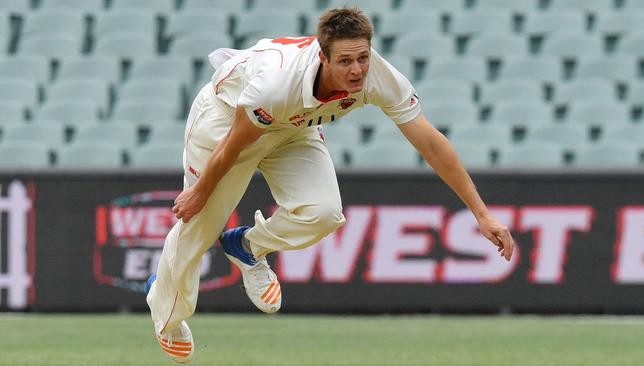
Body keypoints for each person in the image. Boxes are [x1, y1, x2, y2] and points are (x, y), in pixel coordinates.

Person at [145, 7, 514, 363]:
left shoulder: (378, 76)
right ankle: (168, 315)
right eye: (345, 61)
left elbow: (431, 143)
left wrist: (481, 214)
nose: (357, 71)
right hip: (226, 124)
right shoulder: (277, 84)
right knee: (200, 227)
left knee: (323, 214)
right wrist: (201, 191)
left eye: (363, 58)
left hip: (293, 128)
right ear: (323, 57)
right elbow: (234, 145)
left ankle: (246, 246)